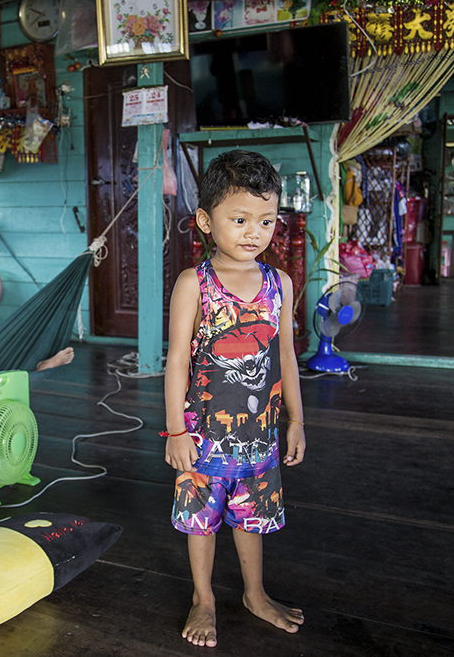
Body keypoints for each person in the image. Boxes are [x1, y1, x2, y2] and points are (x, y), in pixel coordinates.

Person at [163, 149, 307, 648]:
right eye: (240, 219)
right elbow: (176, 361)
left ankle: (254, 593)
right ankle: (203, 598)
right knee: (201, 521)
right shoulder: (194, 284)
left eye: (266, 221)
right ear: (206, 221)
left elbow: (286, 356)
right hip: (202, 435)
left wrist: (296, 420)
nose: (254, 232)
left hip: (260, 435)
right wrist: (175, 430)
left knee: (252, 514)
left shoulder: (279, 284)